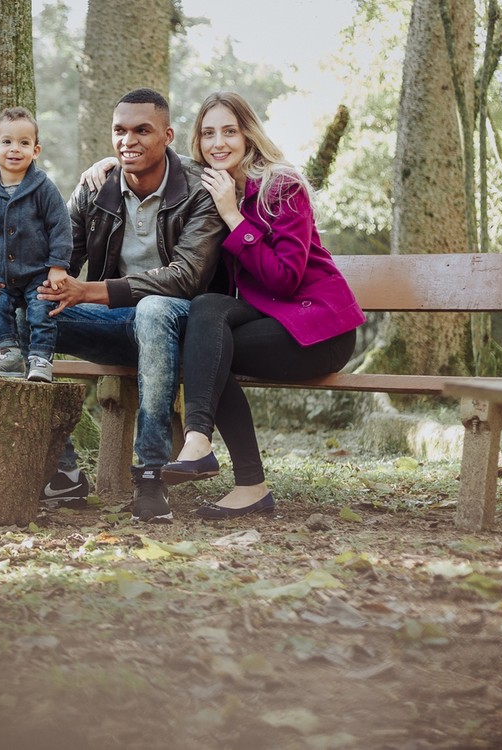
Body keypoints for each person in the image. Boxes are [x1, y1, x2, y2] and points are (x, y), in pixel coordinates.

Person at [0, 88, 227, 522]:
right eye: (120, 130)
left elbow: (186, 277)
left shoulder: (199, 189)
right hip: (113, 324)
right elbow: (56, 258)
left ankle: (150, 475)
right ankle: (63, 470)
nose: (128, 140)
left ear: (168, 135)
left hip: (182, 328)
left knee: (154, 310)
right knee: (23, 313)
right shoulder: (97, 186)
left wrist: (90, 291)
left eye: (142, 131)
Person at [159, 91, 364, 519]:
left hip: (319, 330)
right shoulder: (208, 189)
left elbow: (285, 279)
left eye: (229, 131)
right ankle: (202, 444)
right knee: (206, 315)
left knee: (210, 347)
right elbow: (156, 166)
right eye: (208, 133)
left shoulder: (282, 187)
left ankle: (240, 475)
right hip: (268, 319)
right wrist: (109, 167)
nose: (218, 143)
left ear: (248, 135)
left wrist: (233, 217)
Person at [0, 107, 73, 383]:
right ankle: (9, 354)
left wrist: (58, 266)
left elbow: (60, 227)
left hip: (39, 272)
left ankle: (41, 359)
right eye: (7, 141)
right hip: (1, 273)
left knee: (41, 310)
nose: (15, 149)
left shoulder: (43, 188)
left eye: (24, 143)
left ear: (35, 151)